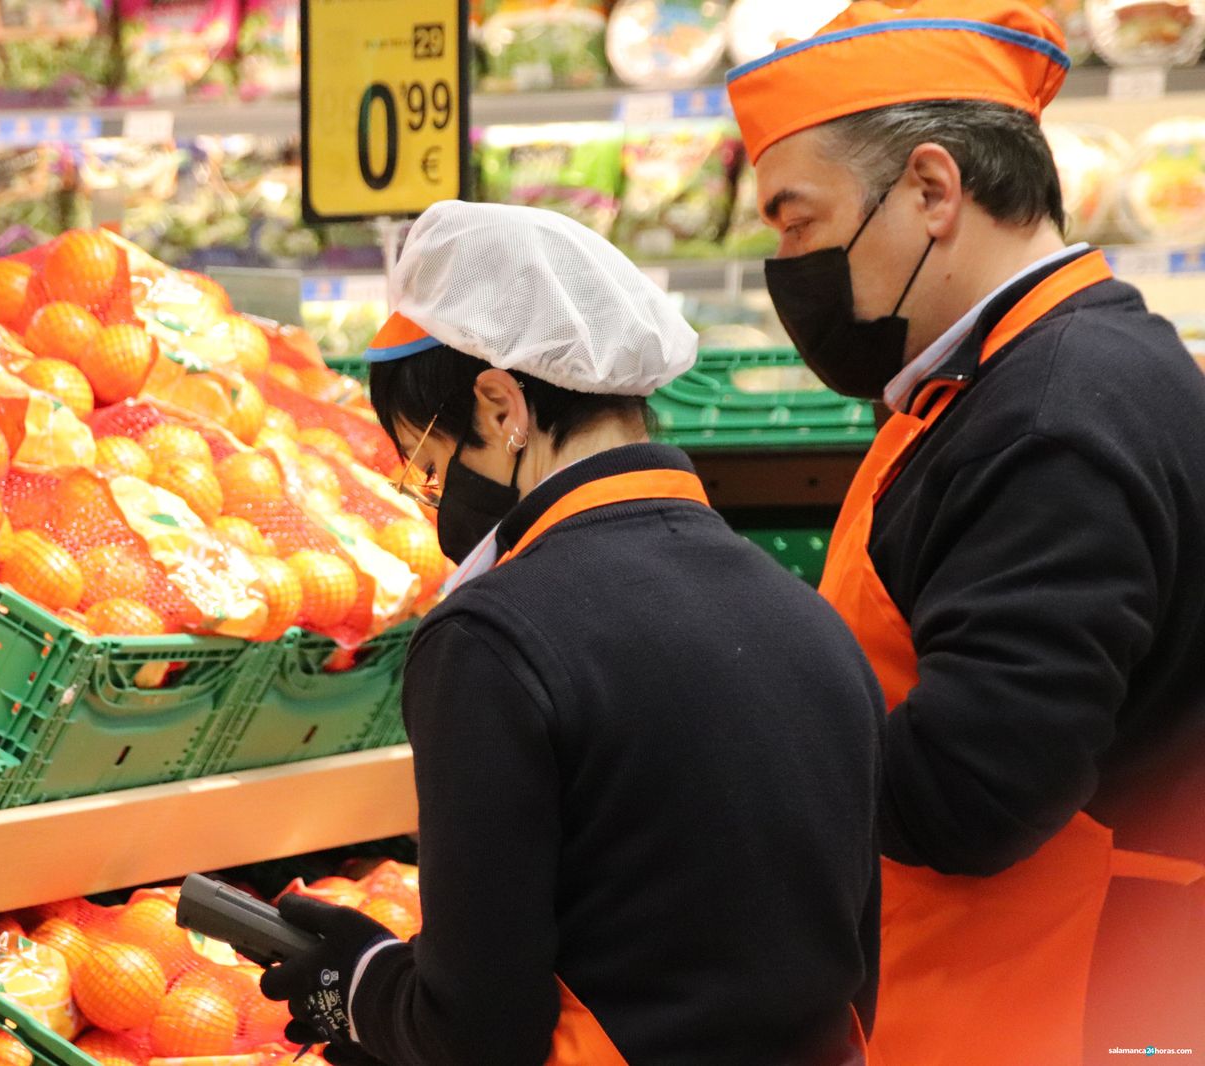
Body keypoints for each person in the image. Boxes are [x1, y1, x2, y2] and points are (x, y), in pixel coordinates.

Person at [256, 201, 885, 1065]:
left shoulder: (491, 641)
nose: (435, 504)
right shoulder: (808, 618)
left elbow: (480, 1029)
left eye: (431, 470)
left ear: (501, 405)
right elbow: (850, 966)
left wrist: (362, 985)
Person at [726, 1, 1205, 1062]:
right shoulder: (1021, 376)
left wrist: (734, 739)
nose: (786, 262)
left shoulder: (1051, 413)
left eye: (797, 221)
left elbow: (975, 792)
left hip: (1061, 1003)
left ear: (933, 191)